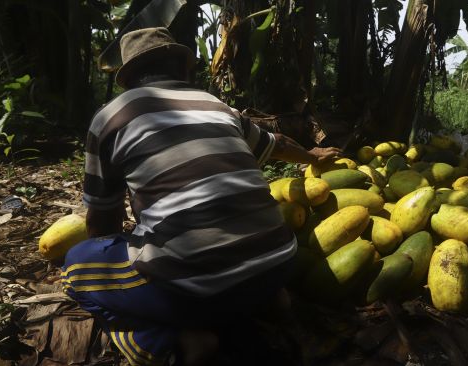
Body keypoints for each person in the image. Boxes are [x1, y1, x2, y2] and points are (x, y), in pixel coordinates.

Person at [61, 27, 341, 366]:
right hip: (280, 265)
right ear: (181, 68)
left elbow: (103, 224)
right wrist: (314, 155)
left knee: (75, 266)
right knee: (234, 269)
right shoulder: (216, 106)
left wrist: (123, 250)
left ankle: (176, 343)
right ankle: (266, 300)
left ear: (130, 76)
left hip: (195, 289)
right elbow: (277, 144)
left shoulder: (110, 117)